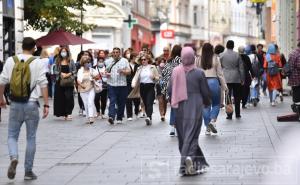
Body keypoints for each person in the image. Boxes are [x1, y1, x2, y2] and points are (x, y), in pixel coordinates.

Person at [0, 37, 49, 180]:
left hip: (15, 104)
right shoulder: (37, 62)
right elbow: (43, 83)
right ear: (34, 48)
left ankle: (14, 157)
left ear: (22, 46)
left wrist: (1, 99)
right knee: (31, 137)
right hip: (32, 104)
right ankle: (28, 171)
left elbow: (2, 81)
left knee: (12, 135)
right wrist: (46, 104)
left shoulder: (11, 60)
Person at [169, 47, 211, 176]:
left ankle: (190, 161)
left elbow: (170, 89)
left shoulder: (175, 71)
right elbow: (205, 91)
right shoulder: (199, 73)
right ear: (193, 57)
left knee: (183, 136)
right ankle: (189, 158)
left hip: (180, 107)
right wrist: (207, 102)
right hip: (195, 105)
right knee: (193, 135)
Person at [198, 43, 227, 135]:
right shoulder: (216, 59)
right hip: (214, 82)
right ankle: (212, 121)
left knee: (205, 105)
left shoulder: (198, 59)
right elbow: (220, 74)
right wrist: (225, 87)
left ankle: (207, 128)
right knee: (216, 104)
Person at [131, 54, 159, 125]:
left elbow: (158, 78)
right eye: (142, 60)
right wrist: (133, 83)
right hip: (142, 87)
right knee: (145, 103)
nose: (143, 61)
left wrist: (154, 78)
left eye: (145, 59)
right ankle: (149, 117)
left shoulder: (153, 67)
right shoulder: (139, 68)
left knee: (149, 102)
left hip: (150, 86)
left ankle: (149, 117)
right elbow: (135, 77)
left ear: (148, 60)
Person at [220, 40, 245, 119]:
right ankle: (237, 113)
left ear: (226, 46)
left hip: (226, 78)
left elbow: (219, 67)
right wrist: (242, 78)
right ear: (233, 46)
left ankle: (229, 114)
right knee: (237, 96)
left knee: (227, 96)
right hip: (236, 78)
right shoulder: (237, 55)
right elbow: (241, 68)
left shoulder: (222, 55)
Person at [105, 47, 131, 124]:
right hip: (111, 84)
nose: (115, 54)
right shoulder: (108, 61)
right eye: (114, 52)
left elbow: (129, 71)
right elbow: (105, 71)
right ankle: (111, 116)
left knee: (121, 102)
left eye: (117, 52)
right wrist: (106, 74)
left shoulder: (124, 61)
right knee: (112, 101)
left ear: (119, 53)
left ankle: (119, 117)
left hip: (122, 84)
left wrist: (123, 71)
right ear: (112, 53)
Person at [161, 45, 182, 136]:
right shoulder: (182, 61)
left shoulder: (168, 61)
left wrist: (165, 89)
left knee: (174, 107)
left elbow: (164, 75)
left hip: (170, 87)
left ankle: (172, 128)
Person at [53, 47, 76, 120]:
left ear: (67, 52)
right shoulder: (57, 61)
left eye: (65, 51)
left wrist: (69, 74)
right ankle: (64, 113)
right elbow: (55, 71)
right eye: (62, 51)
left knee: (69, 97)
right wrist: (60, 73)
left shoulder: (71, 61)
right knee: (61, 98)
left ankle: (69, 113)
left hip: (69, 82)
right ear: (60, 53)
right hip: (59, 81)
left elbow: (75, 71)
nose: (63, 53)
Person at [77, 56, 99, 124]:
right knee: (86, 104)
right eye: (86, 62)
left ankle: (91, 117)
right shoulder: (80, 70)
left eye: (89, 62)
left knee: (90, 102)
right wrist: (81, 85)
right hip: (83, 89)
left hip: (91, 88)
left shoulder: (92, 70)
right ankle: (87, 117)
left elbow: (98, 76)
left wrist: (94, 77)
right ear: (83, 63)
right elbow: (78, 80)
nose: (88, 64)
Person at [94, 50, 108, 119]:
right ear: (97, 62)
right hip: (97, 86)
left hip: (104, 86)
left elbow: (109, 75)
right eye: (99, 61)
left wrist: (105, 74)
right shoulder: (94, 68)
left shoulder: (106, 67)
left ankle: (103, 113)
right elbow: (92, 76)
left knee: (104, 100)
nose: (101, 63)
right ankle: (97, 111)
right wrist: (96, 77)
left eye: (102, 61)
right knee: (96, 99)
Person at [126, 53, 140, 121]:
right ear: (132, 57)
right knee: (128, 99)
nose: (136, 59)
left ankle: (136, 111)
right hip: (128, 84)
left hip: (136, 84)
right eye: (135, 57)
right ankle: (129, 115)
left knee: (136, 99)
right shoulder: (127, 65)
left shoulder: (138, 65)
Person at [288, 42, 300, 116]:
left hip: (293, 78)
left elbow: (289, 64)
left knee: (296, 94)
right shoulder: (298, 54)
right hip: (298, 78)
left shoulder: (292, 53)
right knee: (298, 95)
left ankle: (295, 108)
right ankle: (297, 110)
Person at [156, 57, 167, 121]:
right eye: (161, 62)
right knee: (160, 100)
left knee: (165, 100)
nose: (162, 63)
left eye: (163, 62)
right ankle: (162, 114)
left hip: (166, 86)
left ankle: (164, 113)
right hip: (159, 85)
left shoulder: (167, 69)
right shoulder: (156, 68)